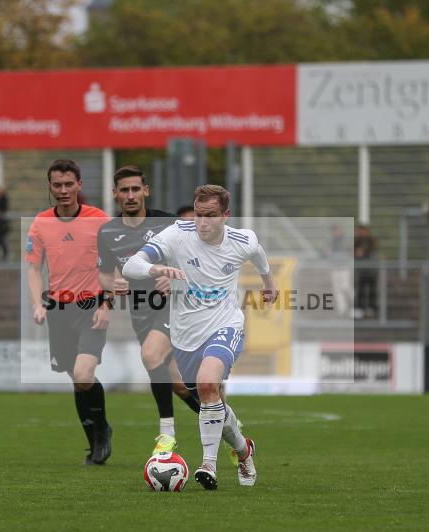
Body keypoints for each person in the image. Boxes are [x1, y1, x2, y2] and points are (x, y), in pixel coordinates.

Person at [123, 184, 277, 490]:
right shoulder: (177, 234)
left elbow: (259, 257)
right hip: (185, 336)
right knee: (211, 398)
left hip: (226, 325)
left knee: (209, 384)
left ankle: (208, 466)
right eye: (198, 215)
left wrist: (269, 285)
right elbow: (131, 265)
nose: (202, 222)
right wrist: (156, 269)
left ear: (225, 215)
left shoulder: (241, 240)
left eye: (210, 216)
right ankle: (243, 450)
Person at [96, 166, 202, 455]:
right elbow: (105, 275)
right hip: (141, 312)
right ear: (115, 194)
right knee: (179, 385)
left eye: (135, 189)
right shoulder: (107, 233)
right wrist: (114, 284)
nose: (130, 196)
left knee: (150, 354)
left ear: (146, 190)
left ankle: (166, 434)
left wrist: (175, 274)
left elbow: (198, 262)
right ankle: (229, 425)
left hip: (177, 308)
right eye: (124, 190)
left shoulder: (169, 224)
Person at [26, 159, 113, 466]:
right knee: (76, 379)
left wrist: (107, 304)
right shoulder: (40, 224)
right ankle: (94, 441)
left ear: (79, 185)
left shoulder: (99, 219)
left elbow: (114, 266)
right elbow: (34, 269)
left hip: (91, 308)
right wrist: (38, 303)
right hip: (59, 311)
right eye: (56, 185)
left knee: (83, 373)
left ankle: (102, 431)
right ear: (50, 187)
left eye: (68, 184)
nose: (63, 190)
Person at [353, 224, 378, 318]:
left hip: (371, 270)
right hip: (361, 270)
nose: (361, 232)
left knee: (372, 289)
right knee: (360, 289)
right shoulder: (357, 241)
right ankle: (360, 308)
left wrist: (363, 252)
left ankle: (371, 308)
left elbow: (374, 252)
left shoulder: (372, 241)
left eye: (362, 230)